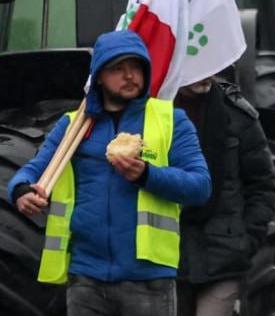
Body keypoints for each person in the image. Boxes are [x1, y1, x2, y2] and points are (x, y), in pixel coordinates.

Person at [9, 30, 211, 316]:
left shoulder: (170, 120)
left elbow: (200, 186)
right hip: (86, 279)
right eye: (118, 68)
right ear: (99, 77)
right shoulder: (74, 125)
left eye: (136, 67)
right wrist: (21, 191)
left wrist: (146, 175)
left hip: (149, 280)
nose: (129, 76)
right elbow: (33, 170)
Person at [173, 76, 275, 316]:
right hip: (169, 256)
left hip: (225, 256)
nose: (204, 74)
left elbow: (262, 185)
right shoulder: (155, 113)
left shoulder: (238, 116)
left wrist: (246, 240)